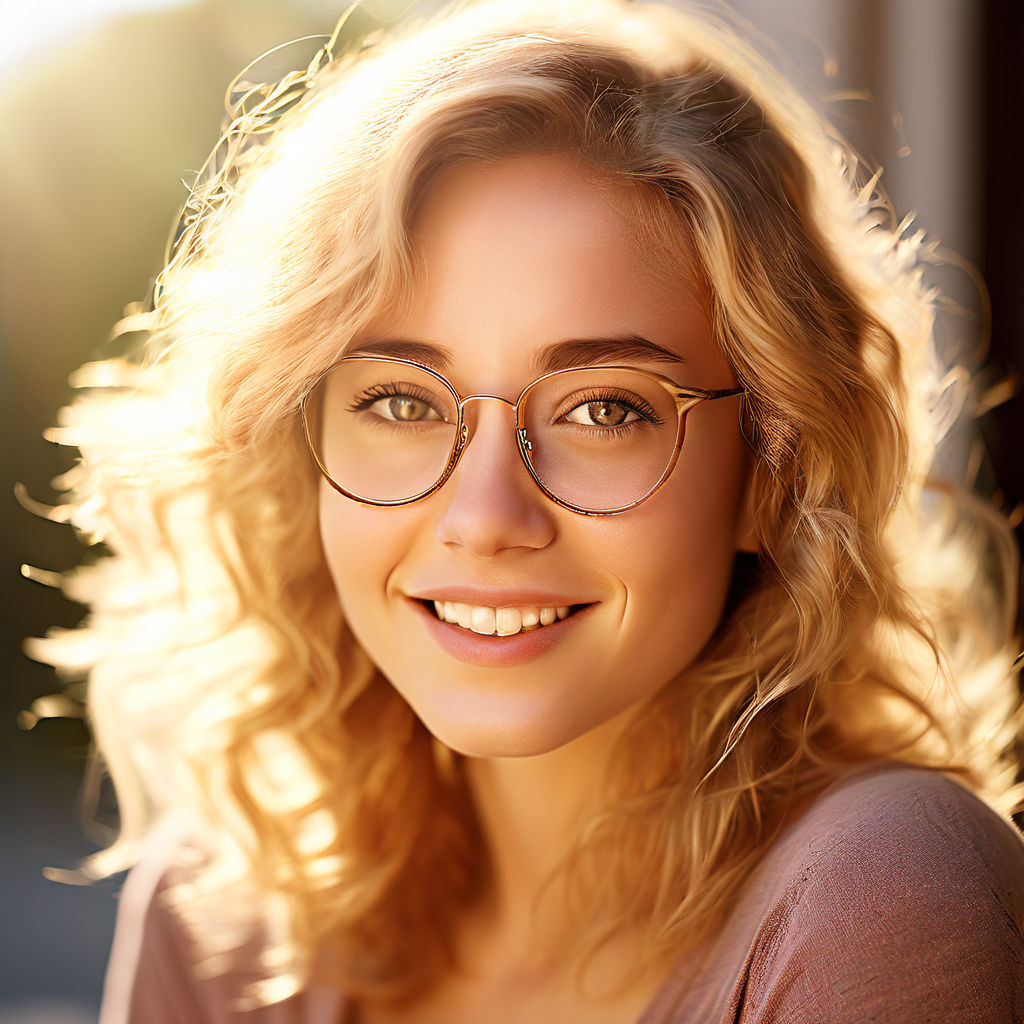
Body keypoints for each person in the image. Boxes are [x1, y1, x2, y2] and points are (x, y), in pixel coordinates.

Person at [32, 0, 1024, 1020]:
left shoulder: (879, 895)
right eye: (401, 401)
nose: (485, 515)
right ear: (304, 450)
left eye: (604, 409)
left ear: (772, 470)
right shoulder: (217, 929)